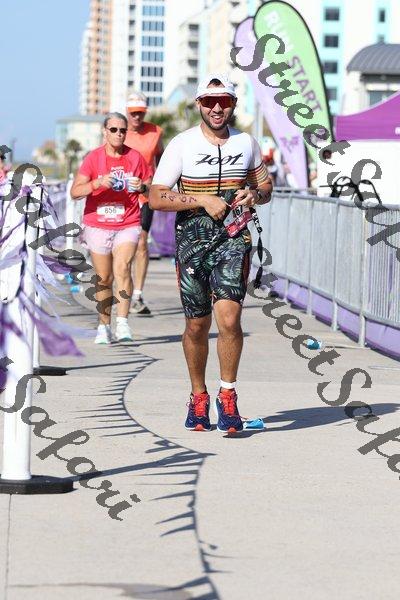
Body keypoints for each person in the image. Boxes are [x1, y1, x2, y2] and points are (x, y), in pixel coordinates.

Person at [149, 73, 273, 433]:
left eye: (224, 102)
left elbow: (265, 185)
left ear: (233, 104)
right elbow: (156, 196)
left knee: (230, 320)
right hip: (192, 242)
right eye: (209, 102)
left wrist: (255, 194)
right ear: (199, 104)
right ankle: (198, 396)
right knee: (197, 324)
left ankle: (228, 396)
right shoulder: (182, 144)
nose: (217, 108)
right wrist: (201, 200)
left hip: (233, 241)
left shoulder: (246, 143)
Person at [71, 112, 151, 344]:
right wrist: (97, 183)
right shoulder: (93, 158)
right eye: (114, 130)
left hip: (128, 222)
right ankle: (104, 325)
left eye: (123, 130)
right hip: (98, 223)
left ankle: (123, 323)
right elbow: (75, 192)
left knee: (123, 268)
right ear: (104, 132)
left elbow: (150, 186)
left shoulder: (135, 157)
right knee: (104, 278)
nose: (118, 134)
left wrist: (141, 187)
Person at [124, 91, 164, 316]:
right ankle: (123, 290)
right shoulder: (119, 132)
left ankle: (137, 295)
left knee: (141, 242)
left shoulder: (156, 132)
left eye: (140, 113)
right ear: (127, 112)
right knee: (123, 245)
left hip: (145, 195)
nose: (137, 117)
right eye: (133, 113)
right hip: (121, 196)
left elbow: (162, 160)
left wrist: (161, 184)